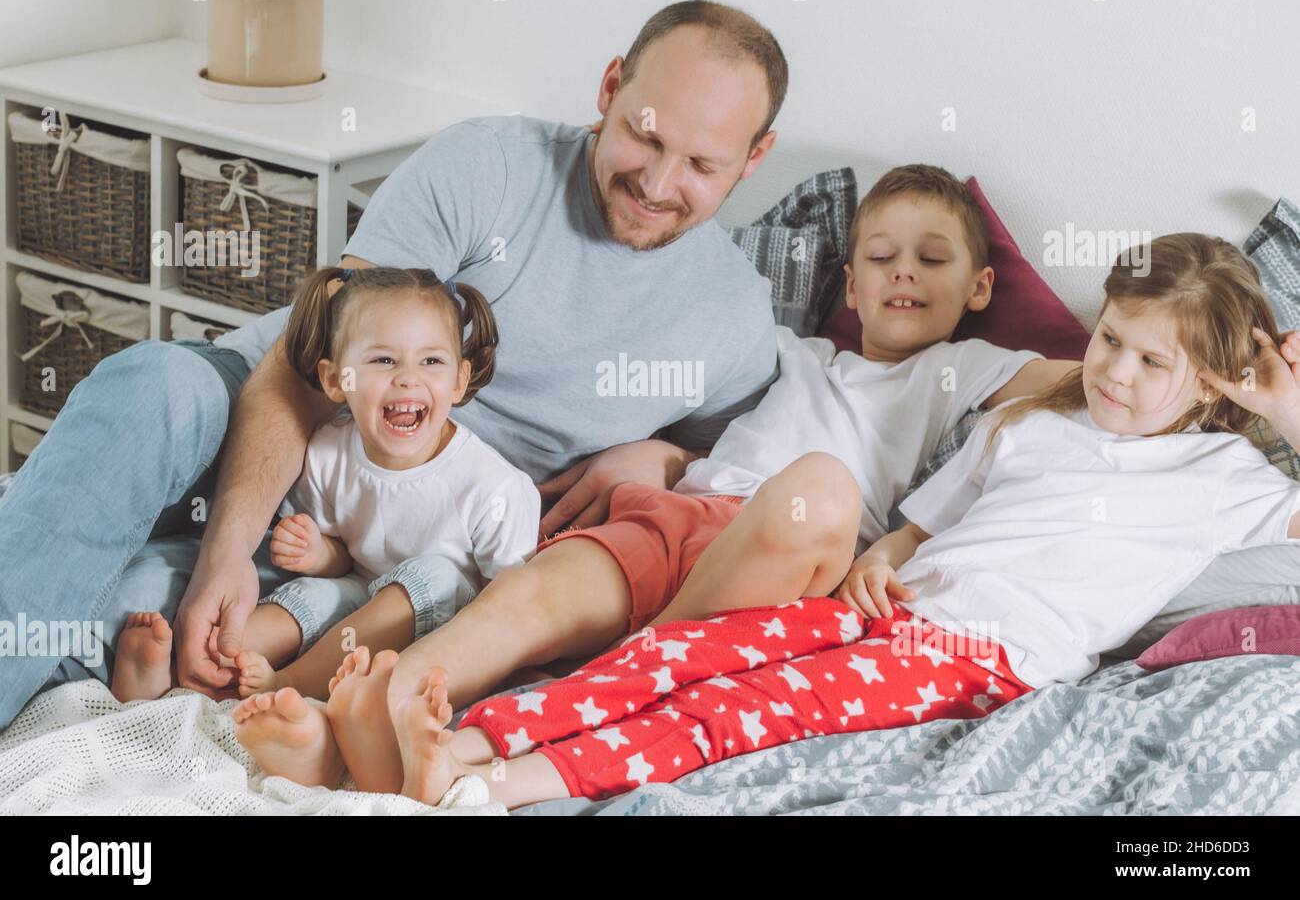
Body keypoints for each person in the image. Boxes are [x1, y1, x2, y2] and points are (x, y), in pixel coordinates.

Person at [0, 0, 785, 730]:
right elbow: (306, 368)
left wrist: (671, 454)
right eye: (645, 136)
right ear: (612, 87)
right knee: (153, 388)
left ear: (754, 158)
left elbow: (744, 488)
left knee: (123, 616)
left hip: (376, 549)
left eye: (700, 166)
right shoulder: (491, 166)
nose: (656, 182)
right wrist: (227, 552)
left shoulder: (733, 317)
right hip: (278, 419)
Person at [233, 164, 1081, 792]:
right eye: (882, 257)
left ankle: (589, 695)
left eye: (931, 260)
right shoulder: (791, 351)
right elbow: (697, 410)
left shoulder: (964, 368)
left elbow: (1086, 380)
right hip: (677, 515)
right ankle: (372, 726)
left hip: (790, 558)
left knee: (819, 484)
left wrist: (1195, 370)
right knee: (527, 597)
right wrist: (668, 457)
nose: (903, 273)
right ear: (849, 282)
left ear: (978, 287)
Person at [384, 232, 1300, 808]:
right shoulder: (1034, 423)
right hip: (891, 611)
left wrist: (1281, 410)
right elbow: (922, 529)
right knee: (683, 652)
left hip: (985, 660)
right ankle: (467, 741)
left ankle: (495, 790)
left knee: (737, 709)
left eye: (1152, 364)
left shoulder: (1229, 477)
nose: (1116, 374)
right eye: (1111, 341)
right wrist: (883, 558)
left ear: (1212, 384)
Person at [110, 267, 539, 705]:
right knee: (311, 597)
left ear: (460, 380)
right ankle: (190, 673)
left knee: (433, 576)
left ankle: (287, 684)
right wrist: (319, 553)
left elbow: (509, 605)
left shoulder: (494, 487)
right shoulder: (328, 453)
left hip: (444, 629)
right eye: (383, 360)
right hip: (358, 595)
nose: (408, 378)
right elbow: (344, 555)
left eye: (431, 361)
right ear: (336, 381)